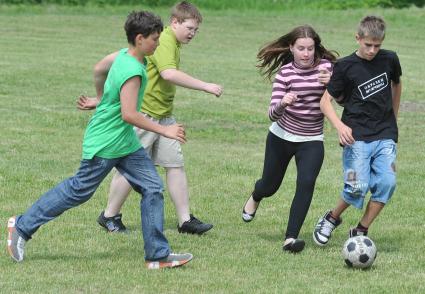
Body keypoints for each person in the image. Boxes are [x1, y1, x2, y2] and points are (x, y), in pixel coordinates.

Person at [7, 11, 193, 269]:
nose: (158, 43)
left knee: (152, 187)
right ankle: (22, 226)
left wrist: (101, 99)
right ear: (140, 39)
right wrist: (166, 131)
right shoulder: (133, 71)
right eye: (154, 39)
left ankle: (157, 255)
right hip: (106, 142)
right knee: (78, 191)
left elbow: (98, 69)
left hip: (125, 143)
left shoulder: (123, 55)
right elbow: (129, 114)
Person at [77, 1, 222, 235]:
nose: (193, 34)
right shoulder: (162, 40)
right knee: (129, 168)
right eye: (190, 28)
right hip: (144, 115)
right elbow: (168, 73)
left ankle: (185, 221)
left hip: (164, 116)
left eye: (196, 30)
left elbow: (104, 65)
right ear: (175, 22)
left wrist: (100, 98)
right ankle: (109, 215)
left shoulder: (169, 42)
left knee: (174, 164)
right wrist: (205, 86)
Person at [241, 25, 338, 253]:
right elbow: (271, 114)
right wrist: (283, 103)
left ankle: (290, 238)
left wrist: (332, 83)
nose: (306, 53)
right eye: (301, 48)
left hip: (312, 138)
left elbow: (344, 98)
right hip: (281, 136)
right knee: (270, 185)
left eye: (310, 49)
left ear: (316, 49)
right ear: (291, 48)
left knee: (306, 184)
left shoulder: (327, 68)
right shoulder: (285, 73)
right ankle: (256, 195)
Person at [313, 15, 402, 246]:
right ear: (358, 38)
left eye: (377, 45)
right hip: (357, 137)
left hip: (385, 134)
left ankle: (361, 229)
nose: (372, 50)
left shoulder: (390, 59)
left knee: (387, 183)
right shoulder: (344, 66)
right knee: (356, 186)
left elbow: (397, 84)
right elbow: (325, 102)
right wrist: (340, 126)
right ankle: (331, 218)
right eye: (368, 44)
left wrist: (394, 117)